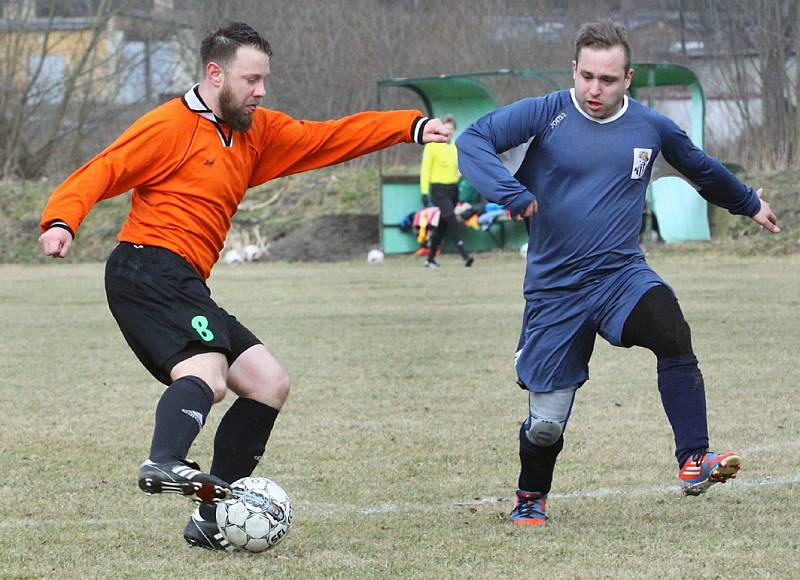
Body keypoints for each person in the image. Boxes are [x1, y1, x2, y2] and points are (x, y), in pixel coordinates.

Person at [38, 21, 451, 550]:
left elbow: (326, 137)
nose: (261, 91)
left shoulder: (254, 132)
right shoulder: (169, 126)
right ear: (215, 73)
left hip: (184, 279)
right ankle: (164, 460)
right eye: (251, 80)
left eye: (264, 80)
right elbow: (104, 168)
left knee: (267, 381)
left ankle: (212, 519)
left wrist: (408, 127)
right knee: (207, 376)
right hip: (146, 267)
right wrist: (60, 220)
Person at [456, 20, 780, 526]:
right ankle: (530, 498)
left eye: (607, 79)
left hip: (619, 276)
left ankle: (694, 459)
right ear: (574, 70)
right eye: (587, 76)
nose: (594, 89)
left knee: (672, 331)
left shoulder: (650, 127)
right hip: (555, 290)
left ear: (627, 78)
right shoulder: (545, 114)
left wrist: (747, 202)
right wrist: (511, 193)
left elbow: (699, 167)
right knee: (544, 427)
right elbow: (472, 140)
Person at [419, 114, 474, 268]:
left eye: (451, 129)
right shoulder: (432, 146)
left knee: (442, 226)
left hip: (452, 190)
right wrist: (424, 192)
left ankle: (429, 259)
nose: (448, 132)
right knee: (451, 219)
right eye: (446, 128)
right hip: (438, 190)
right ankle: (464, 255)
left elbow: (460, 168)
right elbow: (425, 170)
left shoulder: (454, 148)